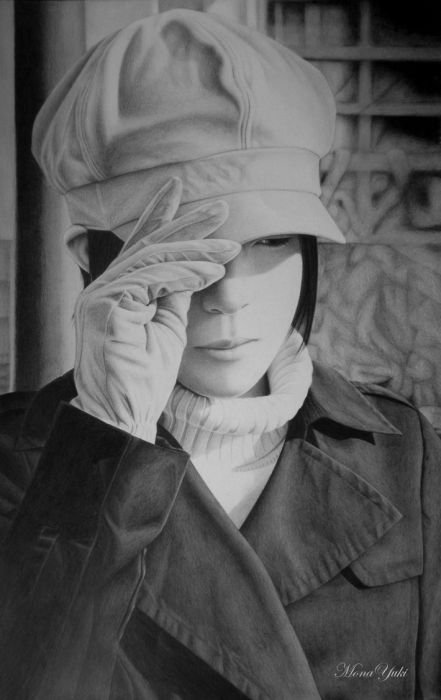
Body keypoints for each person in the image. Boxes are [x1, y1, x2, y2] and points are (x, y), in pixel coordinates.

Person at [0, 9, 440, 700]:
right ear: (94, 264)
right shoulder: (19, 459)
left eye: (270, 240)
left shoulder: (406, 454)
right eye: (186, 251)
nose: (229, 294)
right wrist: (106, 442)